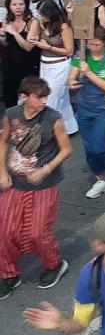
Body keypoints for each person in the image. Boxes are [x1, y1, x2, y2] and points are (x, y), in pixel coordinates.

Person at [0, 77, 73, 299]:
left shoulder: (53, 118)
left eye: (45, 97)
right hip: (15, 182)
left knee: (37, 232)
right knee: (4, 231)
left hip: (44, 185)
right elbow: (3, 141)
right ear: (25, 97)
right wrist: (2, 172)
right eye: (39, 97)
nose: (44, 101)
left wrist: (45, 169)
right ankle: (9, 274)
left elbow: (66, 149)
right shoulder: (12, 114)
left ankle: (54, 265)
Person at [68, 27, 105, 199]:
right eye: (89, 43)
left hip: (103, 107)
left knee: (99, 145)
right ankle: (101, 178)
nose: (92, 47)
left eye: (96, 44)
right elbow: (71, 77)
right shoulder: (82, 56)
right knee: (89, 147)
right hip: (84, 106)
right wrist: (72, 82)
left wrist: (88, 72)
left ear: (104, 42)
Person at [33, 0, 78, 135]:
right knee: (62, 98)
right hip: (45, 64)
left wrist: (49, 47)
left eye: (43, 14)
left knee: (51, 98)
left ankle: (51, 132)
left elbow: (69, 51)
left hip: (60, 65)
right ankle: (70, 127)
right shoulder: (42, 25)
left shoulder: (64, 27)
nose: (41, 17)